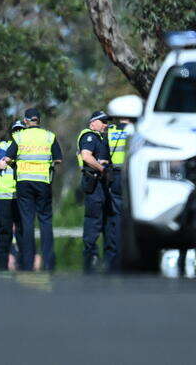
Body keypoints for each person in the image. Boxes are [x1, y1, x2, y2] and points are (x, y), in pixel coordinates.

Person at [4, 108, 62, 271]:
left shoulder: (19, 136)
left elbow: (7, 158)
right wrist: (47, 166)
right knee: (45, 221)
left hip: (24, 183)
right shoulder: (49, 136)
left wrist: (16, 165)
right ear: (39, 121)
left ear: (26, 121)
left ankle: (28, 263)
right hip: (43, 182)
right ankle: (49, 262)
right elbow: (58, 159)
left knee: (27, 222)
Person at [77, 110, 118, 273]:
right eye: (103, 122)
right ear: (93, 122)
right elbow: (86, 156)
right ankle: (91, 258)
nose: (106, 125)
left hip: (102, 185)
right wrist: (102, 169)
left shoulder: (101, 138)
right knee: (93, 222)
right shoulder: (90, 137)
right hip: (94, 184)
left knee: (107, 222)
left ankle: (109, 260)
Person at [0, 120, 25, 270]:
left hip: (20, 196)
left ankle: (23, 261)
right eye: (15, 130)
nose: (18, 133)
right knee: (4, 230)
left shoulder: (28, 148)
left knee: (22, 229)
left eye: (21, 130)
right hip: (3, 196)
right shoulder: (3, 147)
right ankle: (2, 263)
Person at [106, 117, 131, 272]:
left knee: (115, 217)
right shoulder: (137, 130)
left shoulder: (110, 132)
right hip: (130, 176)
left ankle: (114, 258)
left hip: (114, 176)